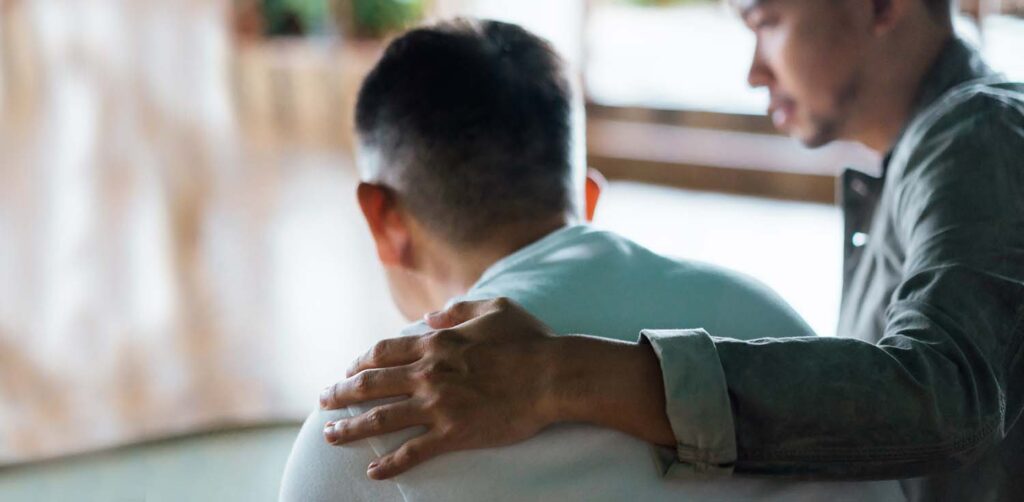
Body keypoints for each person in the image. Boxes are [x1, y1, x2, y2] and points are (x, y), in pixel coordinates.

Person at [321, 1, 1024, 501]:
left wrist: (557, 376)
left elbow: (947, 394)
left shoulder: (976, 131)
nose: (754, 70)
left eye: (767, 20)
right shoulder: (925, 162)